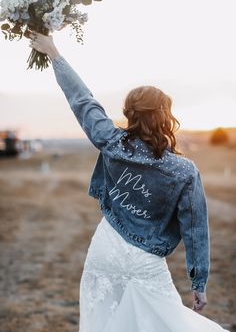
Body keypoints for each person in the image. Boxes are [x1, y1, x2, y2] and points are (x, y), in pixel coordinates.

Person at [29, 31, 230, 332]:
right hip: (144, 263)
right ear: (166, 118)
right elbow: (195, 230)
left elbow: (82, 101)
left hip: (105, 251)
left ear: (130, 114)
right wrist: (198, 283)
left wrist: (54, 53)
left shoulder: (111, 141)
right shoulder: (184, 171)